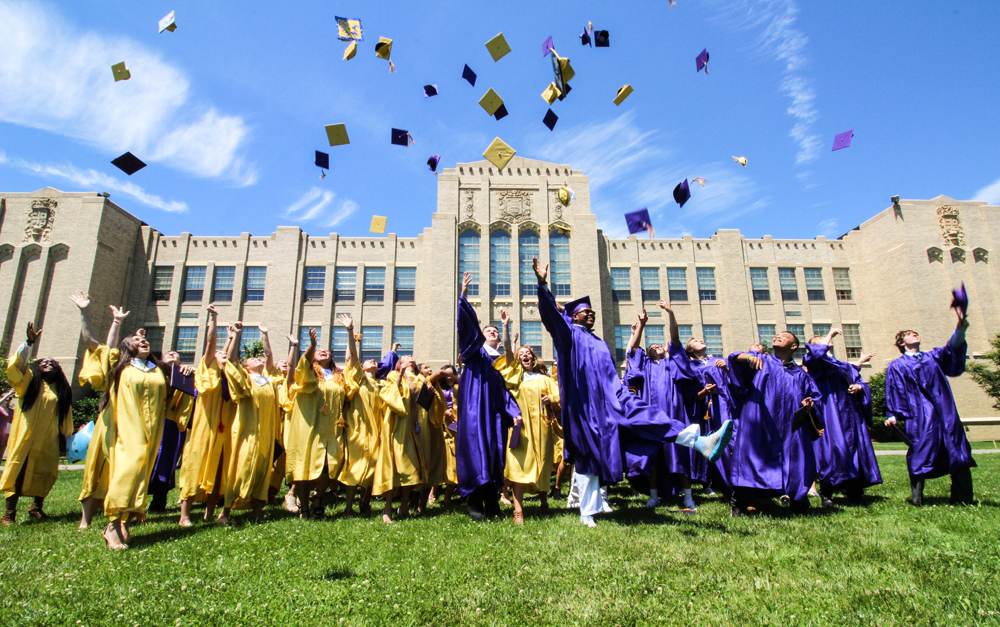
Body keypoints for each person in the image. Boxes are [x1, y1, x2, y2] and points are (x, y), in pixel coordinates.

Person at [532, 257, 732, 527]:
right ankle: (587, 512)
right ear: (573, 315)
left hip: (615, 397)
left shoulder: (598, 341)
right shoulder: (568, 336)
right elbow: (551, 318)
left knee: (648, 416)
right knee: (591, 457)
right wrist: (543, 284)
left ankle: (698, 442)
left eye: (592, 311)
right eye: (585, 311)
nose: (590, 313)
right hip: (586, 406)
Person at [727, 332, 823, 516]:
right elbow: (734, 358)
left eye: (784, 336)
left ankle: (798, 500)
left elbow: (815, 398)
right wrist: (748, 356)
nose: (778, 336)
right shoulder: (761, 361)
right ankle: (739, 502)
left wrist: (809, 403)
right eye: (776, 335)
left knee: (794, 460)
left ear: (794, 346)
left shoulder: (800, 374)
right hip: (759, 421)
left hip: (789, 427)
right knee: (752, 459)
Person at [885, 311, 975, 505]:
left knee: (957, 449)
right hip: (919, 416)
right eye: (909, 334)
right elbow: (895, 391)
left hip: (945, 412)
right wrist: (893, 415)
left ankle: (963, 499)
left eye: (915, 332)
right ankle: (917, 500)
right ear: (902, 343)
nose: (914, 334)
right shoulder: (897, 366)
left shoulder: (933, 357)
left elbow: (952, 348)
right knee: (920, 452)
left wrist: (960, 330)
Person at [623, 305, 702, 511]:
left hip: (673, 412)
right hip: (651, 414)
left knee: (679, 453)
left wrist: (671, 314)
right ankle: (654, 496)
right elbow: (632, 350)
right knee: (654, 456)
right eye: (653, 346)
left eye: (661, 345)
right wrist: (641, 325)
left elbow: (675, 340)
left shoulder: (673, 364)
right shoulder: (644, 366)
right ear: (648, 352)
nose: (657, 346)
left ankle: (688, 498)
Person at [456, 272, 521, 521]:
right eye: (488, 329)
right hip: (474, 409)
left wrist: (514, 413)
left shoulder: (500, 361)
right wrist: (463, 296)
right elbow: (465, 328)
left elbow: (506, 391)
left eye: (495, 329)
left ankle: (492, 501)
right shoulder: (474, 352)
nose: (492, 331)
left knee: (494, 452)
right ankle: (473, 500)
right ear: (481, 335)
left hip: (494, 412)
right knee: (476, 449)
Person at [101, 327, 174, 548]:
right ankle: (112, 525)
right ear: (126, 346)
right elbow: (105, 352)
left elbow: (168, 398)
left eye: (145, 339)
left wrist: (183, 379)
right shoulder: (120, 368)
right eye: (136, 339)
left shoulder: (156, 369)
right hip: (128, 425)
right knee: (128, 469)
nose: (143, 341)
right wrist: (115, 322)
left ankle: (126, 521)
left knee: (142, 472)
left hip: (152, 429)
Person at [1, 322, 73, 525]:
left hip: (47, 438)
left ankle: (36, 507)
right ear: (36, 366)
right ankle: (9, 513)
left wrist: (65, 436)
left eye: (54, 363)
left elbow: (65, 416)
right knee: (17, 469)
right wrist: (29, 342)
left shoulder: (61, 390)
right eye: (44, 361)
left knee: (45, 471)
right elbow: (17, 366)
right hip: (25, 434)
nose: (49, 363)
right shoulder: (28, 382)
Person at [803, 328, 881, 506]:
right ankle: (827, 492)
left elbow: (857, 378)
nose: (828, 341)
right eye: (822, 341)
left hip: (850, 412)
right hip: (830, 411)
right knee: (833, 448)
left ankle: (854, 489)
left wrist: (859, 387)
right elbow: (817, 357)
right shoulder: (816, 363)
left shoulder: (841, 364)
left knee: (854, 447)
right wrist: (830, 335)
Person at [496, 311, 560, 524]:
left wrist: (550, 399)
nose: (525, 355)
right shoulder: (514, 376)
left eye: (528, 353)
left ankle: (544, 503)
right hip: (520, 428)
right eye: (521, 353)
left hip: (542, 427)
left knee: (542, 463)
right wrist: (505, 326)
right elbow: (507, 349)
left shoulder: (544, 378)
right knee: (518, 465)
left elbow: (559, 395)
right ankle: (518, 511)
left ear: (533, 358)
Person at [71, 291, 127, 529]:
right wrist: (88, 312)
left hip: (131, 424)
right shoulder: (116, 366)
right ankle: (86, 519)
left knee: (123, 469)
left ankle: (120, 515)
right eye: (135, 340)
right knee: (98, 466)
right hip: (110, 419)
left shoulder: (145, 368)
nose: (141, 341)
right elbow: (95, 343)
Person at [218, 323, 283, 524]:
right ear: (245, 367)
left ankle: (257, 513)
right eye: (252, 359)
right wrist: (236, 336)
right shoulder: (245, 379)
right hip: (247, 431)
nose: (258, 359)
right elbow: (230, 361)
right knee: (242, 468)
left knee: (263, 470)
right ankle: (225, 512)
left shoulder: (269, 380)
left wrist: (265, 334)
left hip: (266, 432)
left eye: (258, 358)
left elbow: (269, 355)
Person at [284, 327, 346, 518]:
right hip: (309, 426)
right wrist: (312, 345)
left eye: (327, 350)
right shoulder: (308, 372)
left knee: (330, 465)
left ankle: (319, 496)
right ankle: (304, 508)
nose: (323, 351)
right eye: (319, 351)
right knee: (304, 468)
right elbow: (301, 364)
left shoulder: (339, 377)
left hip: (332, 427)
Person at [337, 314, 383, 517]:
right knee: (355, 465)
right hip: (358, 428)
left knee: (373, 465)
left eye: (374, 360)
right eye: (368, 360)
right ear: (361, 368)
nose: (373, 360)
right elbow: (353, 358)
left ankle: (365, 502)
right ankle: (348, 506)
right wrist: (350, 332)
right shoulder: (359, 380)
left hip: (377, 430)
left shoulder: (381, 385)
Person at [372, 355, 426, 523]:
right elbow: (388, 394)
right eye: (406, 357)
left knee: (411, 467)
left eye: (412, 356)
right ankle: (387, 508)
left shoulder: (421, 378)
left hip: (416, 425)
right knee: (395, 464)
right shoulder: (393, 375)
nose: (410, 357)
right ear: (399, 364)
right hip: (398, 425)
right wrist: (401, 373)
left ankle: (403, 507)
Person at [684, 338, 737, 499]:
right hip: (704, 406)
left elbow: (735, 382)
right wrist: (703, 393)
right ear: (690, 350)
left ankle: (733, 479)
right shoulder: (690, 366)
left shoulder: (718, 361)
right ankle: (709, 481)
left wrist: (727, 369)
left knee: (729, 437)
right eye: (695, 341)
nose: (700, 340)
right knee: (709, 441)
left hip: (723, 403)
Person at [147, 350, 196, 512]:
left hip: (174, 424)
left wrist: (191, 376)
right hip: (152, 420)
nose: (172, 355)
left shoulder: (185, 375)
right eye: (169, 354)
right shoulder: (153, 372)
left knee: (167, 460)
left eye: (176, 355)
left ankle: (158, 501)